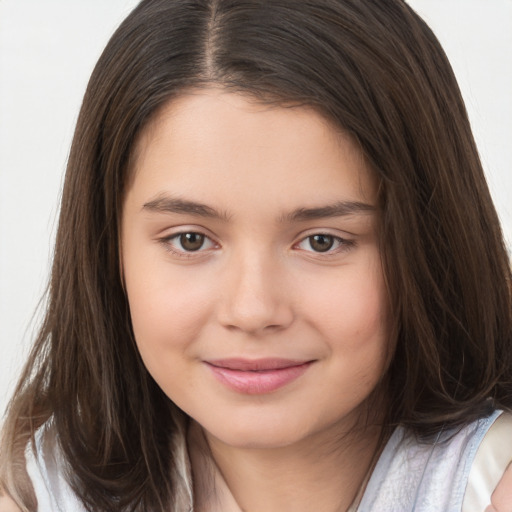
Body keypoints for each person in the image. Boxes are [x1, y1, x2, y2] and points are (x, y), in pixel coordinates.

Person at [1, 0, 512, 510]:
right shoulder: (33, 490)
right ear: (109, 251)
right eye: (190, 240)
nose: (252, 310)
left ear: (431, 246)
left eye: (322, 241)